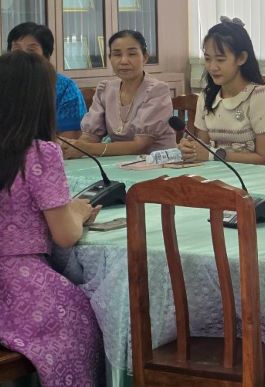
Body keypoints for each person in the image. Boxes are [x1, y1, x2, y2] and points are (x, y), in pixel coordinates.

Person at [0, 51, 102, 386]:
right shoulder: (39, 153)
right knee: (82, 320)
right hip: (20, 284)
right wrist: (78, 212)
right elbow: (65, 235)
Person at [60, 30, 176, 159]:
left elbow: (140, 145)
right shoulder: (105, 89)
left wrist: (86, 148)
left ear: (145, 57)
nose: (124, 61)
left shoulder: (157, 90)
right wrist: (73, 147)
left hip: (158, 164)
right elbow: (90, 137)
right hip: (118, 163)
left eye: (132, 54)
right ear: (110, 58)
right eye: (117, 54)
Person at [180, 17, 265, 165]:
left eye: (220, 60)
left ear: (241, 58)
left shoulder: (260, 96)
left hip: (257, 176)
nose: (212, 67)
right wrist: (191, 150)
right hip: (218, 174)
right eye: (207, 59)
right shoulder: (207, 96)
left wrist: (213, 155)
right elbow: (204, 149)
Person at [6, 22, 87, 138]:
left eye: (31, 50)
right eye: (17, 50)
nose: (22, 56)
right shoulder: (4, 83)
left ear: (46, 56)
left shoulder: (65, 88)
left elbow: (69, 139)